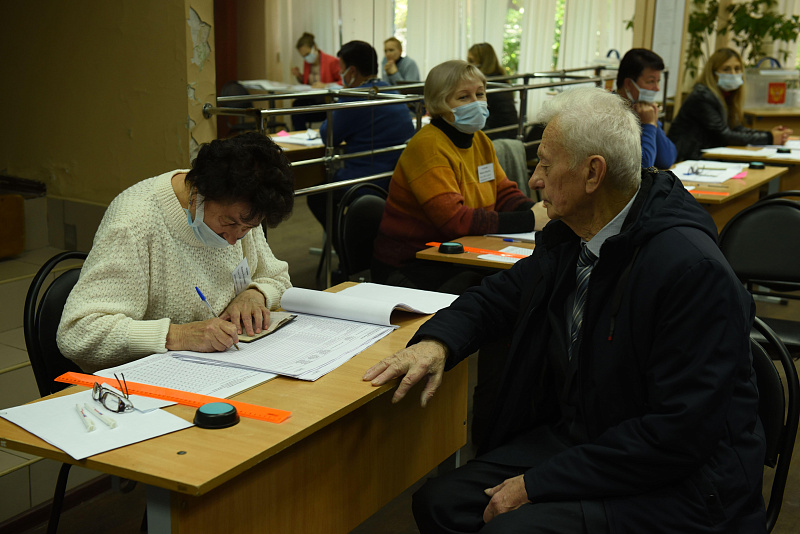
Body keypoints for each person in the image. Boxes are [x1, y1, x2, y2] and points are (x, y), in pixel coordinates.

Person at [364, 87, 765, 533]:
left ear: (593, 174)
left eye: (546, 165)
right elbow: (498, 296)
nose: (534, 179)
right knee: (442, 502)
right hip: (592, 435)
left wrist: (537, 484)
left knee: (511, 526)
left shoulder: (690, 270)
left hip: (685, 480)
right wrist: (436, 343)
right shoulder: (574, 236)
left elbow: (677, 434)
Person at [57, 132, 295, 373]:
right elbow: (78, 333)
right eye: (229, 224)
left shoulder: (243, 211)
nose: (234, 240)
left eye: (248, 229)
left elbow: (278, 278)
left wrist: (254, 295)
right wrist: (179, 335)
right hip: (145, 379)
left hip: (222, 365)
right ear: (200, 193)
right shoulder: (134, 223)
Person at [371, 59, 546, 294]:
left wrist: (538, 209)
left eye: (480, 94)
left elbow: (503, 192)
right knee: (501, 290)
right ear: (439, 104)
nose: (476, 103)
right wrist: (530, 219)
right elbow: (455, 222)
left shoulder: (480, 140)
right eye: (463, 97)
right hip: (411, 265)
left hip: (456, 254)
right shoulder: (428, 146)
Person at [307, 40, 415, 233]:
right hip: (395, 179)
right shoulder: (391, 92)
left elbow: (328, 136)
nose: (341, 74)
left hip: (365, 180)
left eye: (341, 69)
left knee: (316, 196)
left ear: (352, 71)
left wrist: (341, 99)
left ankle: (346, 250)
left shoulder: (354, 98)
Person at [668, 47, 792, 161]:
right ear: (713, 73)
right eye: (726, 69)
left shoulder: (726, 96)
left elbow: (737, 128)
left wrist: (768, 134)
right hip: (686, 159)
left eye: (737, 69)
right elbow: (724, 135)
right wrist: (769, 138)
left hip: (704, 156)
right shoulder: (702, 97)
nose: (733, 73)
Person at [615, 48, 676, 169]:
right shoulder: (610, 112)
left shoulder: (642, 109)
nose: (657, 88)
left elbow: (667, 160)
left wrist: (654, 123)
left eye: (658, 81)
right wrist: (648, 125)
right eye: (651, 81)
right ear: (628, 84)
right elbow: (641, 167)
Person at [290, 32, 342, 131]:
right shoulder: (307, 62)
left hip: (327, 102)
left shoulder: (331, 61)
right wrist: (299, 76)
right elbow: (308, 84)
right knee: (296, 106)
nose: (306, 58)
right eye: (303, 56)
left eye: (307, 54)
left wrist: (326, 85)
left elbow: (342, 82)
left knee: (299, 107)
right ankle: (300, 134)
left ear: (314, 47)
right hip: (313, 99)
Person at [468, 43, 519, 140]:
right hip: (511, 132)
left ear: (482, 61)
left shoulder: (485, 83)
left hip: (496, 134)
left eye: (471, 61)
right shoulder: (502, 78)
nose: (468, 65)